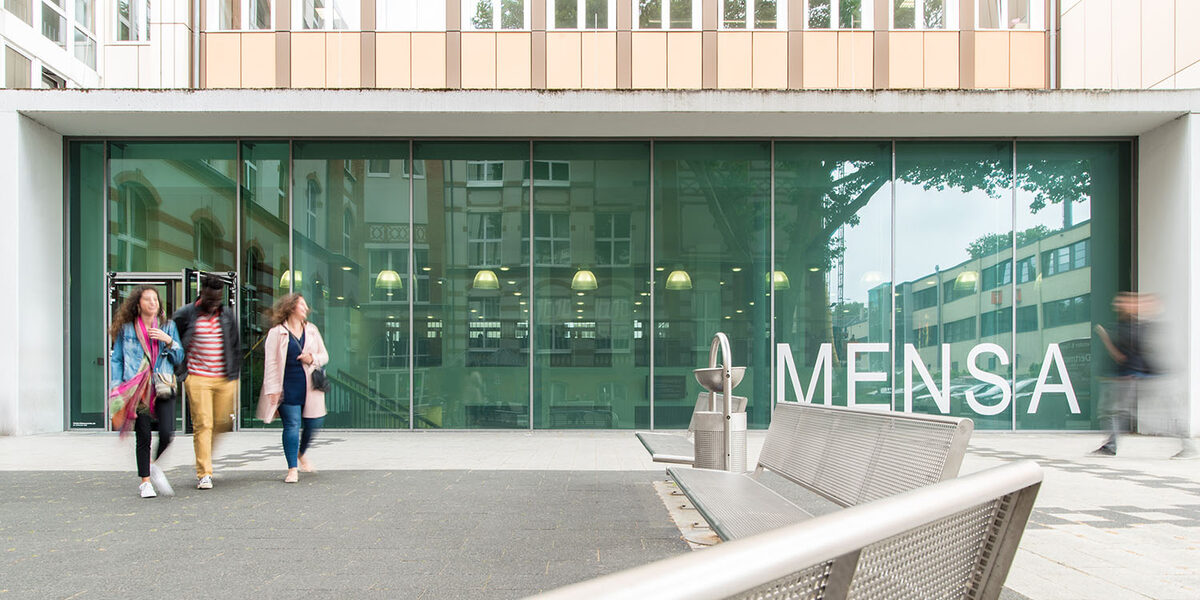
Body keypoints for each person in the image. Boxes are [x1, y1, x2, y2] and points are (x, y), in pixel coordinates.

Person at [109, 286, 184, 498]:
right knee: (143, 435)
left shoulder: (168, 327)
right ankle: (145, 482)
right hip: (138, 387)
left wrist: (167, 340)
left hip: (162, 383)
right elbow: (117, 358)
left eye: (155, 299)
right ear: (138, 304)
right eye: (147, 299)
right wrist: (117, 384)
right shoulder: (127, 329)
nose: (153, 303)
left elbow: (179, 358)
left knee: (168, 433)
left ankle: (152, 465)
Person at [173, 275, 241, 489]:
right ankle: (204, 472)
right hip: (198, 377)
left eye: (217, 300)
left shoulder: (227, 315)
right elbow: (173, 341)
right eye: (210, 300)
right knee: (204, 424)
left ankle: (205, 455)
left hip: (224, 377)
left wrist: (235, 374)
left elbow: (236, 345)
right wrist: (181, 371)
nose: (214, 305)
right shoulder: (186, 314)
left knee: (222, 422)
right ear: (201, 293)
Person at [260, 294, 328, 483]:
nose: (306, 308)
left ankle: (300, 453)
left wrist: (312, 358)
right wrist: (272, 389)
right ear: (291, 308)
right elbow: (271, 363)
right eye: (302, 305)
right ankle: (292, 469)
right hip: (287, 386)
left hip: (310, 387)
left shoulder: (312, 330)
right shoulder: (276, 333)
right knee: (292, 425)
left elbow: (324, 356)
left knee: (314, 423)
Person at [1092, 292, 1152, 456]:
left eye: (1121, 303)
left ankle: (1111, 445)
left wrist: (1104, 336)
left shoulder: (1130, 329)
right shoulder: (1124, 325)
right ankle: (1110, 444)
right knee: (1112, 411)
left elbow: (1119, 356)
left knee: (1114, 411)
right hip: (1117, 377)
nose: (1117, 305)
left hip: (1123, 377)